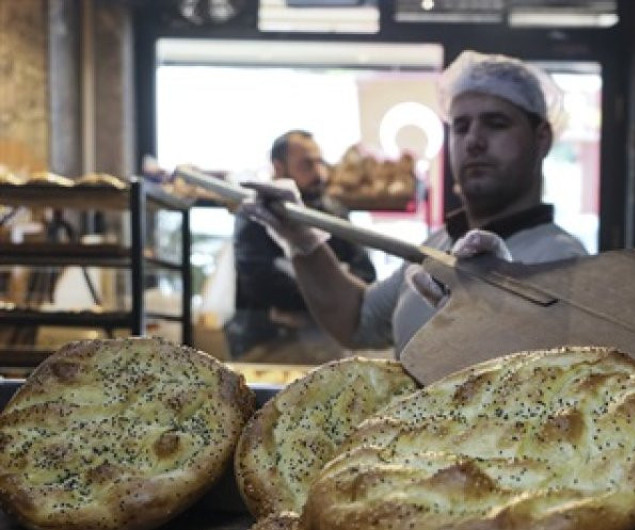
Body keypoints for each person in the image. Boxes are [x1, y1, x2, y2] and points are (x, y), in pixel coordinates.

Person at [239, 51, 587, 357]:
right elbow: (358, 320)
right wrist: (303, 240)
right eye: (461, 126)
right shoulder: (438, 246)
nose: (474, 141)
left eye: (496, 124)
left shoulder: (565, 262)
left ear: (541, 138)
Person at [225, 130, 378, 363]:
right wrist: (333, 290)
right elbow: (258, 281)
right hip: (266, 346)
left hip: (327, 347)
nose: (318, 173)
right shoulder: (256, 216)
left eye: (320, 163)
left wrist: (305, 306)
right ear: (279, 167)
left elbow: (366, 274)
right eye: (307, 165)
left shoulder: (334, 213)